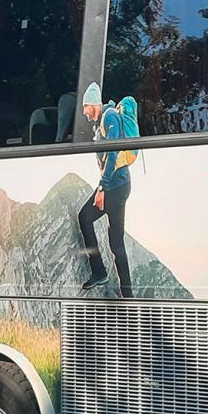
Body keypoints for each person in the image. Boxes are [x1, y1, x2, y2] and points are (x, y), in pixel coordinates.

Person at [76, 81, 134, 297]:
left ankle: (107, 279)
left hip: (115, 187)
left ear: (94, 104)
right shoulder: (102, 121)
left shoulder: (109, 117)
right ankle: (121, 290)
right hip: (116, 185)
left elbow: (113, 152)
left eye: (85, 107)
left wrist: (102, 188)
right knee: (114, 240)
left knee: (91, 222)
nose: (84, 112)